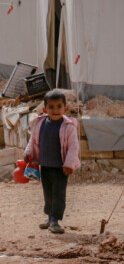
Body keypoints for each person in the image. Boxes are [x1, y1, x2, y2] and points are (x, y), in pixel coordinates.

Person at [23, 90, 80, 234]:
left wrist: (69, 164)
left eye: (59, 106)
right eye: (51, 107)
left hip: (61, 168)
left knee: (58, 193)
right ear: (45, 109)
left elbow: (74, 147)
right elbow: (33, 140)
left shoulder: (69, 126)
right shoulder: (41, 123)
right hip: (45, 165)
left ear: (65, 108)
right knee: (47, 192)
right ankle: (49, 217)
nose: (55, 110)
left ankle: (55, 220)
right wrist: (29, 153)